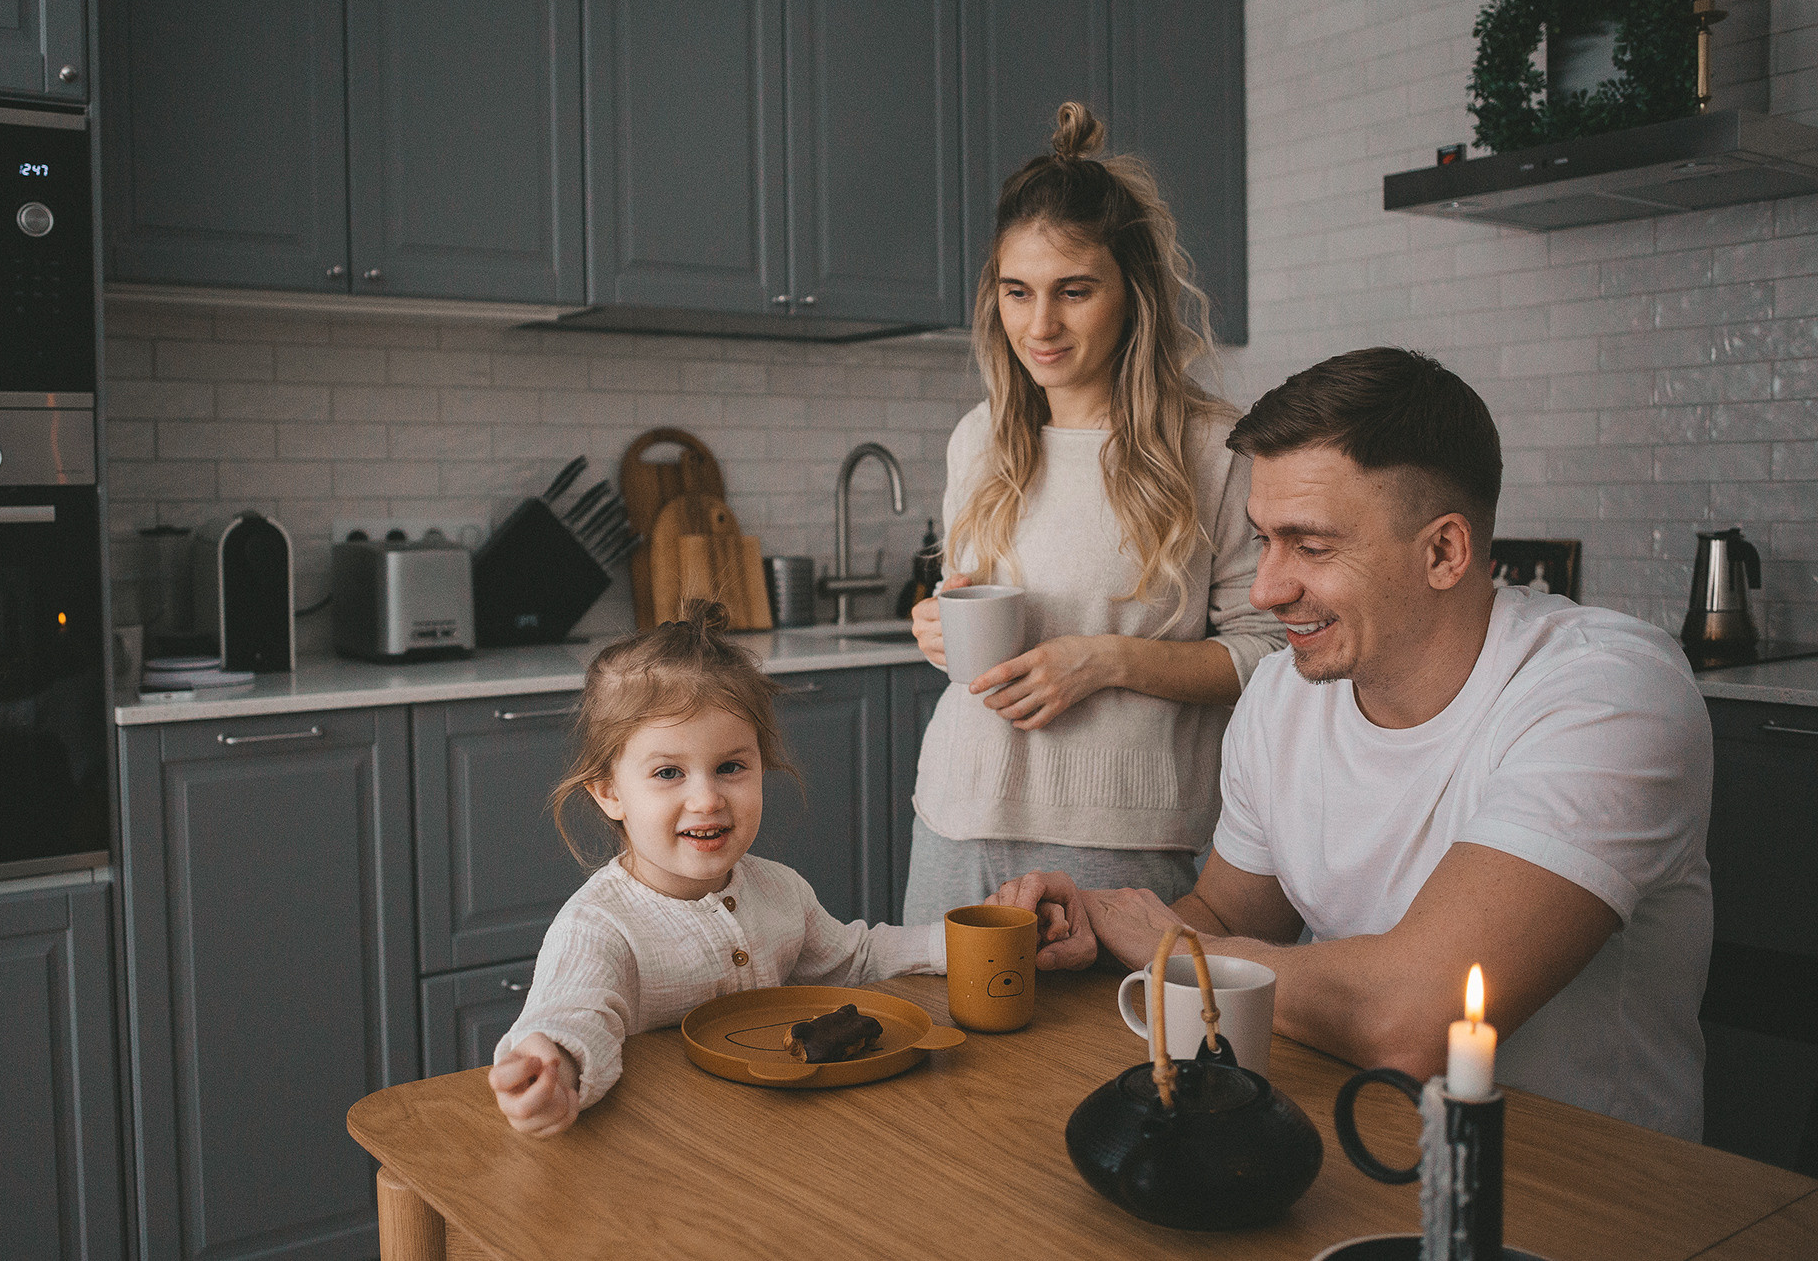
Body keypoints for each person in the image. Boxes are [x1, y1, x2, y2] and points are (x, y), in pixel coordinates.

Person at [1000, 347, 1714, 1139]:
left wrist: (1168, 950)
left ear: (1444, 551)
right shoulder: (1282, 694)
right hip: (1362, 1140)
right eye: (1263, 540)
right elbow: (1231, 917)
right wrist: (1105, 926)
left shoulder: (1608, 693)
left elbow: (1411, 1017)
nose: (1266, 589)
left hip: (1596, 1194)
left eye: (1309, 546)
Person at [903, 102, 1284, 923]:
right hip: (953, 817)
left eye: (1074, 292)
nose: (1039, 325)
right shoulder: (978, 439)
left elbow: (1272, 653)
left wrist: (1105, 661)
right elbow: (971, 625)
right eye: (1017, 292)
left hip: (1125, 840)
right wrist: (937, 629)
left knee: (1111, 1056)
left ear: (1132, 292)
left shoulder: (1216, 448)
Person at [489, 601, 951, 1135]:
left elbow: (857, 958)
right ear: (610, 792)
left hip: (776, 1142)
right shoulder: (598, 927)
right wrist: (554, 1069)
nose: (706, 799)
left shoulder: (780, 890)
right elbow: (573, 1018)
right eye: (668, 772)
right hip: (661, 1162)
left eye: (730, 767)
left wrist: (961, 943)